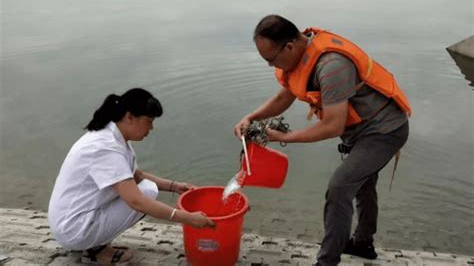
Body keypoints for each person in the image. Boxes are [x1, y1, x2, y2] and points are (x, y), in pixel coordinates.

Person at [234, 15, 410, 266]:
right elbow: (285, 96)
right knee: (362, 185)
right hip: (360, 131)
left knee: (340, 187)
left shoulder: (332, 66)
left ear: (290, 47)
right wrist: (251, 117)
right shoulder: (298, 59)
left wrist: (284, 137)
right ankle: (363, 243)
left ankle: (326, 262)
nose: (269, 65)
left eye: (270, 59)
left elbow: (333, 125)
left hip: (384, 131)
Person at [49, 88, 215, 265]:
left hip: (72, 219)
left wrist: (175, 186)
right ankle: (95, 249)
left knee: (146, 188)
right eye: (149, 121)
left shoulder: (112, 137)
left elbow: (137, 176)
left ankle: (94, 244)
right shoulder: (105, 147)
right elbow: (136, 201)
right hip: (74, 229)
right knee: (146, 193)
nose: (151, 128)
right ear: (129, 117)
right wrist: (188, 218)